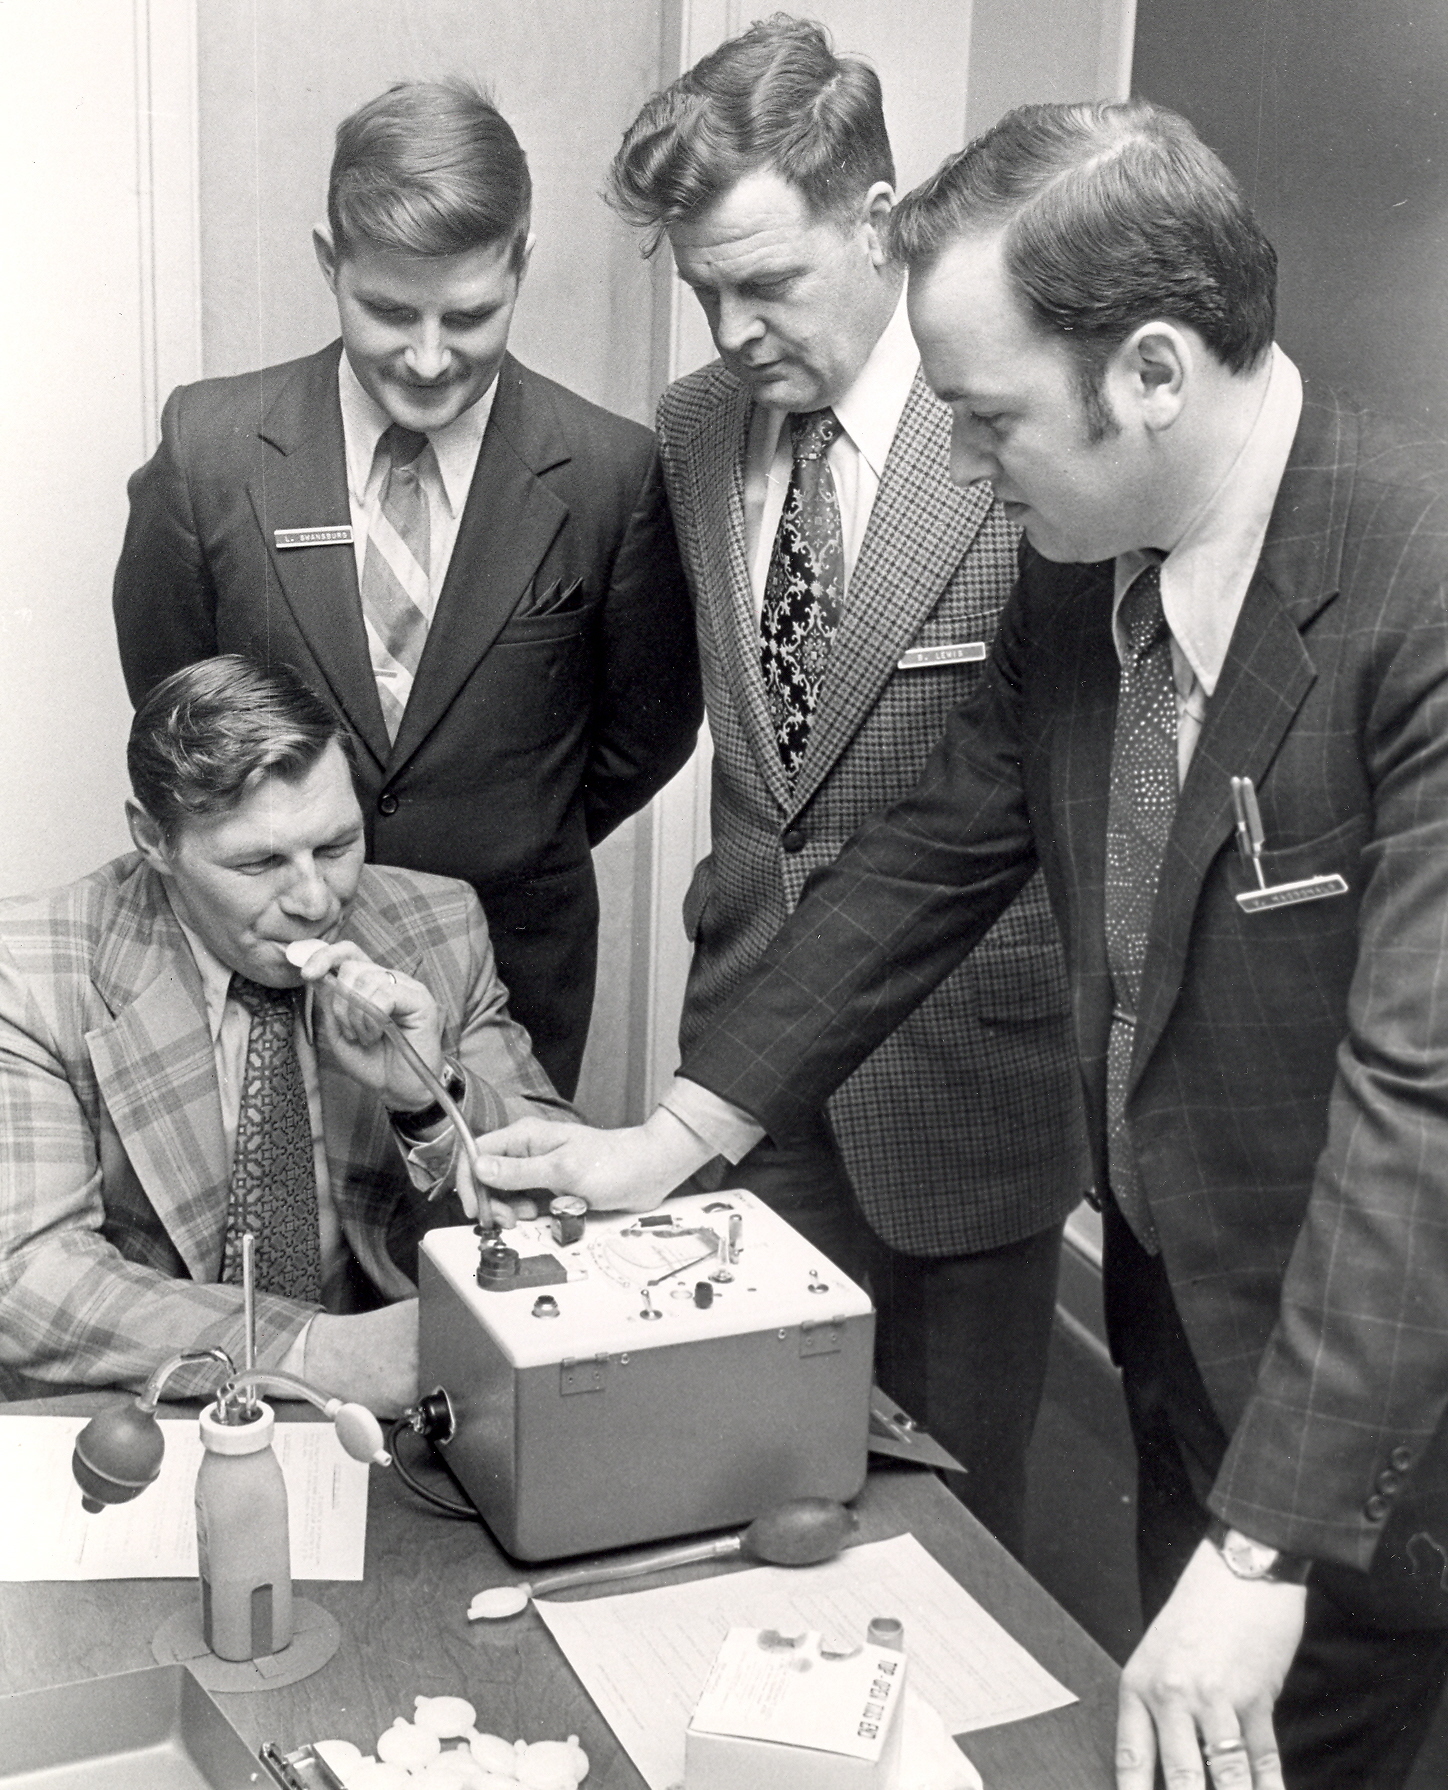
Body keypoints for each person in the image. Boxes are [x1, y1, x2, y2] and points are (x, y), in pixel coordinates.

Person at [472, 99, 1448, 1789]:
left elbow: (1418, 1112)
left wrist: (1265, 1544)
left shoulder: (1415, 587)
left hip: (1373, 1378)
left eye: (989, 421)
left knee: (1315, 1740)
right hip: (1176, 1307)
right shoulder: (1085, 576)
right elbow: (927, 858)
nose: (967, 466)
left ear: (1150, 372)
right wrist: (676, 1132)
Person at [601, 14, 1086, 1555]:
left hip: (965, 1075)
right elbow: (676, 717)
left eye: (767, 281)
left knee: (954, 1523)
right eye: (702, 293)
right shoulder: (693, 434)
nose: (733, 330)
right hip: (746, 1051)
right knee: (739, 1481)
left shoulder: (1010, 437)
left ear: (876, 221)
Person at [112, 79, 701, 1100]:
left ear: (520, 264)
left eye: (470, 315)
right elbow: (176, 710)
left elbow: (642, 733)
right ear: (327, 260)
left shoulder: (612, 473)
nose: (429, 359)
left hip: (511, 966)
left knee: (485, 1246)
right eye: (388, 311)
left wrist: (509, 831)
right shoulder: (209, 450)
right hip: (264, 958)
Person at [0, 656, 574, 1414]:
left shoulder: (436, 923)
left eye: (337, 847)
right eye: (260, 861)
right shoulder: (33, 968)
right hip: (158, 1405)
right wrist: (311, 1351)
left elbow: (567, 1201)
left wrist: (428, 1098)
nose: (315, 900)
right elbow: (28, 1278)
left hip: (404, 1411)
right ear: (153, 839)